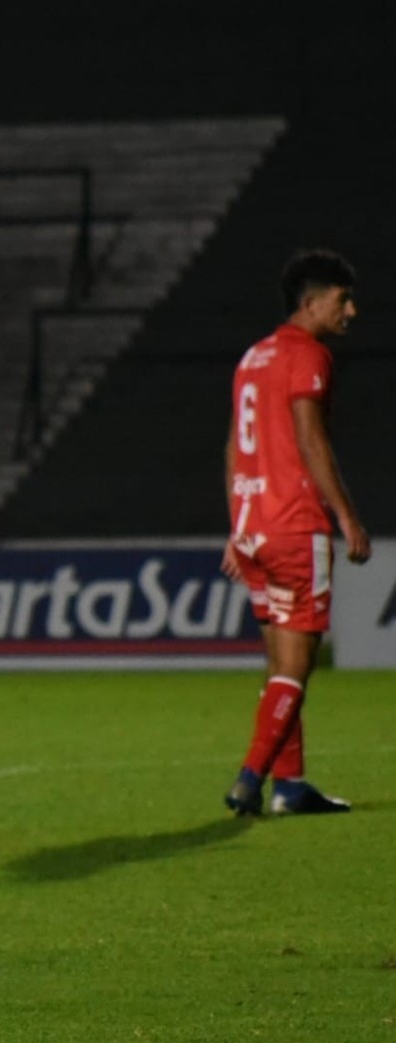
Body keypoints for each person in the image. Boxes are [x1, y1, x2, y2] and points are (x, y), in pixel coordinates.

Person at [221, 249, 370, 816]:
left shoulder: (253, 356)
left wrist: (236, 526)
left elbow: (235, 443)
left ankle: (289, 786)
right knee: (298, 666)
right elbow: (311, 440)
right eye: (342, 300)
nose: (350, 310)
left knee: (279, 665)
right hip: (294, 525)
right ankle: (251, 777)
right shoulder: (308, 355)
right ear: (311, 303)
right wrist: (348, 517)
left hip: (255, 527)